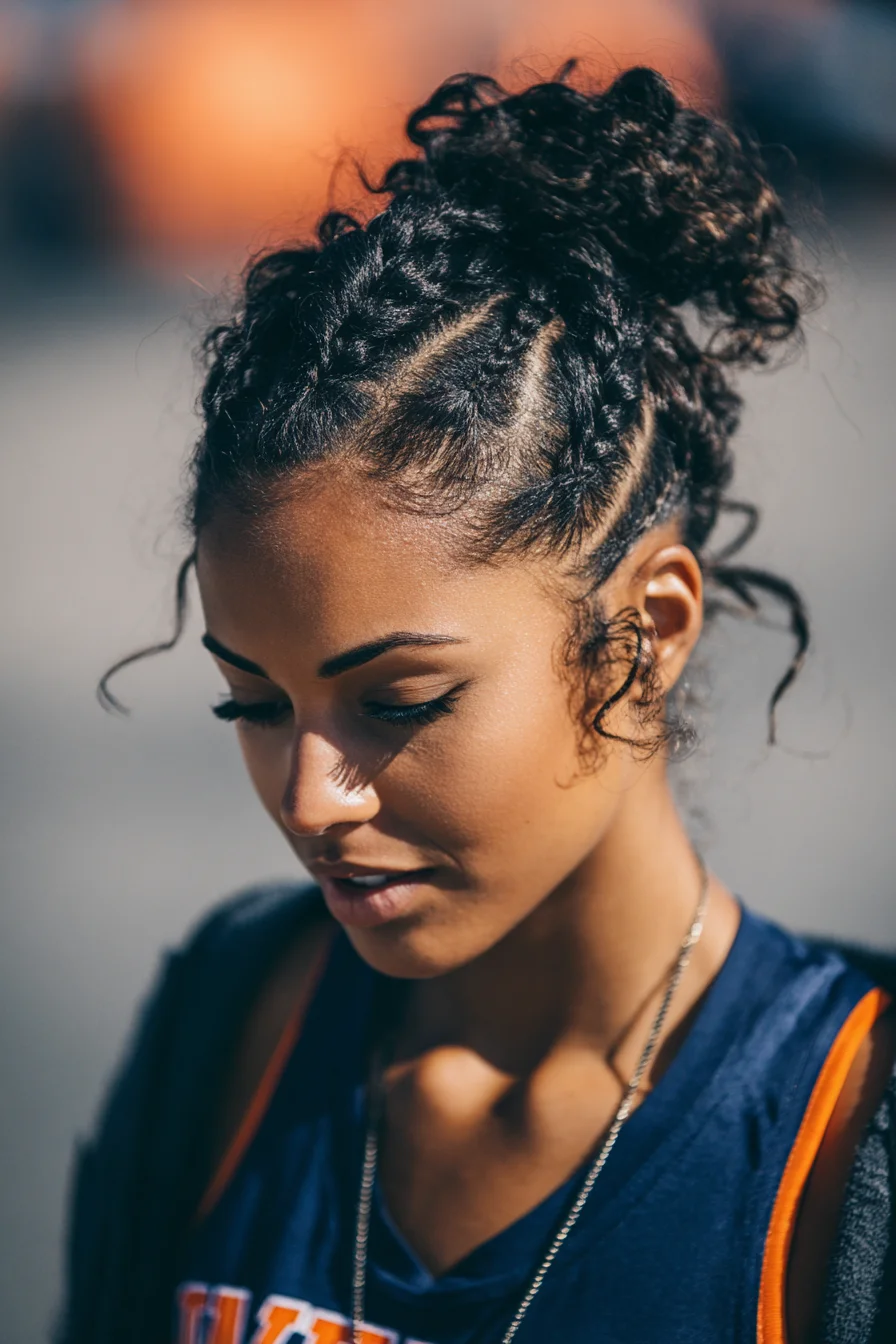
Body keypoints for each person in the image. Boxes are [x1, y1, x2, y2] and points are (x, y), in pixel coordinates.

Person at [58, 65, 896, 1344]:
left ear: (647, 630)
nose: (308, 799)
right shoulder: (236, 1022)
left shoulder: (840, 1137)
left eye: (399, 702)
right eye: (255, 707)